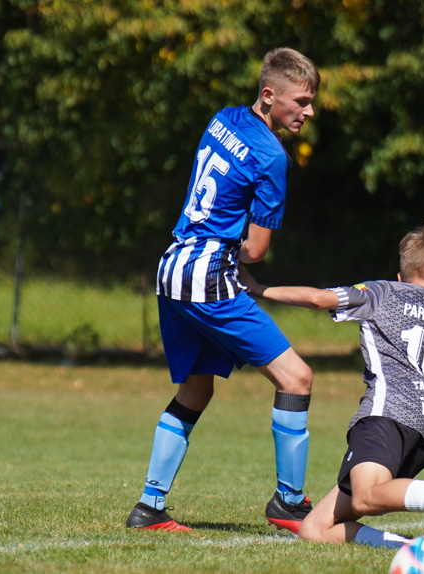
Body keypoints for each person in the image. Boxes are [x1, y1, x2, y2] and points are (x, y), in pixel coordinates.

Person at [126, 48, 320, 533]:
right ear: (270, 95)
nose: (309, 112)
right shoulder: (273, 156)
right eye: (302, 101)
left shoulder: (223, 119)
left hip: (171, 267)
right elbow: (254, 250)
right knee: (296, 378)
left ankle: (149, 507)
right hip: (208, 277)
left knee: (196, 386)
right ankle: (289, 502)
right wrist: (250, 270)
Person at [239, 220, 424, 550]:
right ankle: (414, 547)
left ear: (402, 276)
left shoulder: (384, 292)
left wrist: (257, 289)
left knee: (366, 499)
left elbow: (317, 299)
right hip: (423, 437)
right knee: (314, 527)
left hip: (385, 417)